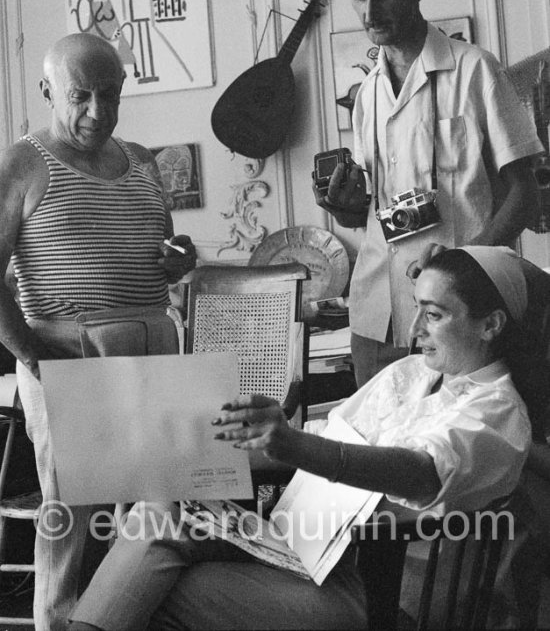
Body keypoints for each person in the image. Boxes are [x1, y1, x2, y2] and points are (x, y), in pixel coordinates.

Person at [69, 245, 534, 631]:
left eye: (433, 315)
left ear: (490, 325)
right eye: (416, 310)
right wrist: (198, 446)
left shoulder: (497, 414)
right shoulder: (409, 373)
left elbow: (419, 472)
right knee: (159, 509)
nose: (413, 332)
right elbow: (326, 435)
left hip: (376, 590)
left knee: (157, 591)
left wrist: (290, 445)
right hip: (301, 549)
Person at [0, 32, 197, 631]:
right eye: (80, 96)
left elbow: (165, 246)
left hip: (152, 348)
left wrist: (180, 255)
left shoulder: (140, 159)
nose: (97, 112)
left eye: (109, 96)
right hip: (68, 353)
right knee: (68, 521)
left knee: (155, 513)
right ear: (47, 92)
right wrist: (30, 354)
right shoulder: (22, 162)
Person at [313, 0, 542, 388]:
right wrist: (345, 205)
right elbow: (372, 212)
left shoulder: (475, 70)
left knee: (452, 451)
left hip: (458, 312)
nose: (369, 12)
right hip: (377, 314)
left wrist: (466, 266)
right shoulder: (367, 96)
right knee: (374, 448)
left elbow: (526, 195)